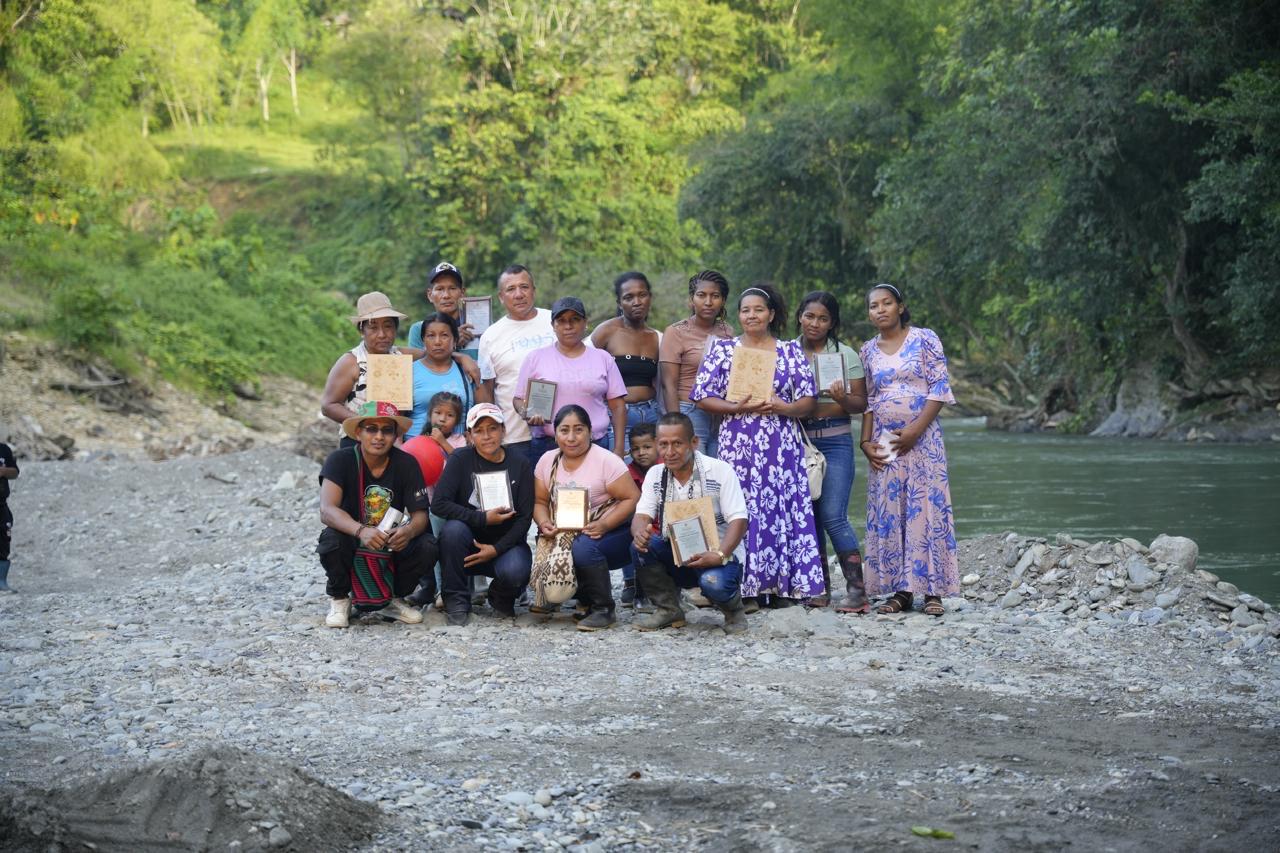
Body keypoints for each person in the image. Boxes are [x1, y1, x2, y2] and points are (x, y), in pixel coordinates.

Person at [691, 283, 824, 609]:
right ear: (738, 315)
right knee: (741, 509)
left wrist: (783, 407)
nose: (752, 315)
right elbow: (702, 396)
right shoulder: (723, 350)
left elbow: (809, 402)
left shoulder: (791, 351)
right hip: (738, 443)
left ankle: (783, 588)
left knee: (782, 509)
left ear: (771, 314)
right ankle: (746, 589)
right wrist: (734, 407)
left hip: (781, 445)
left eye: (759, 309)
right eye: (745, 310)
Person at [858, 284, 959, 616]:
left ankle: (932, 592)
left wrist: (916, 429)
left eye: (887, 303)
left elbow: (940, 387)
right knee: (892, 512)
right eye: (874, 306)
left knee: (926, 510)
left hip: (924, 441)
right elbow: (869, 401)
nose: (881, 310)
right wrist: (865, 442)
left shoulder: (925, 338)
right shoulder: (867, 351)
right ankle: (900, 592)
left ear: (900, 307)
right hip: (887, 444)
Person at [317, 401, 437, 628]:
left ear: (395, 435)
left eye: (387, 430)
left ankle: (393, 598)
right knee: (331, 540)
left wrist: (408, 531)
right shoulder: (339, 460)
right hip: (351, 536)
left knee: (427, 544)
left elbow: (421, 514)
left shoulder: (407, 463)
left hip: (388, 539)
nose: (379, 436)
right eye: (371, 429)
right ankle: (341, 597)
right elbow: (327, 510)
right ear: (359, 432)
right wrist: (361, 531)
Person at [630, 412, 750, 634]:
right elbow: (641, 515)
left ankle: (734, 611)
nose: (670, 451)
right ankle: (669, 610)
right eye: (663, 444)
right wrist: (639, 532)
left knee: (713, 582)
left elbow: (739, 519)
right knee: (640, 546)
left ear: (694, 442)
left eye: (677, 444)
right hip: (677, 553)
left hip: (719, 555)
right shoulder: (656, 474)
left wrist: (721, 554)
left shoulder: (720, 470)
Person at [530, 405, 639, 630]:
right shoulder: (547, 460)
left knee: (583, 547)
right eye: (564, 430)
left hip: (611, 533)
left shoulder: (606, 461)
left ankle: (603, 609)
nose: (571, 438)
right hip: (566, 531)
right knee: (551, 541)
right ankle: (579, 599)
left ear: (590, 431)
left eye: (578, 430)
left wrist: (605, 524)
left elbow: (632, 498)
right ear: (555, 433)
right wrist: (543, 522)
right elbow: (539, 502)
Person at [794, 291, 870, 611]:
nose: (815, 323)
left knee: (833, 515)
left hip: (837, 441)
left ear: (832, 323)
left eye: (823, 319)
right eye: (810, 316)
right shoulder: (787, 352)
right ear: (800, 316)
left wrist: (840, 398)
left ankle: (857, 590)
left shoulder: (845, 355)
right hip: (799, 443)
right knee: (808, 518)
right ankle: (818, 588)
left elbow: (861, 404)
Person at [430, 403, 535, 626]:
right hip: (466, 544)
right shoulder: (460, 459)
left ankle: (500, 596)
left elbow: (525, 517)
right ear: (469, 436)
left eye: (493, 428)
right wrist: (482, 518)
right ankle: (456, 599)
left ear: (504, 430)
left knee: (516, 570)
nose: (486, 436)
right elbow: (439, 504)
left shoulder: (520, 463)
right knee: (453, 530)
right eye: (478, 431)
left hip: (505, 545)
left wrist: (497, 549)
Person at [514, 297, 627, 463]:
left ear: (585, 323)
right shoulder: (536, 358)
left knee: (595, 489)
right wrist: (527, 412)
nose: (568, 326)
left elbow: (618, 407)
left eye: (575, 319)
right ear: (553, 326)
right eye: (561, 321)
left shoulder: (602, 358)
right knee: (548, 489)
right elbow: (518, 399)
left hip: (596, 444)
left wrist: (618, 449)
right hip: (549, 445)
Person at [478, 265, 556, 466]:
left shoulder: (555, 321)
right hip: (515, 438)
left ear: (534, 290)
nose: (519, 294)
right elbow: (487, 391)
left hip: (563, 431)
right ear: (501, 297)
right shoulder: (491, 336)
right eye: (511, 289)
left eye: (524, 287)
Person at [320, 292, 410, 447]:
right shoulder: (351, 362)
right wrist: (364, 424)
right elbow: (328, 405)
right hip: (357, 441)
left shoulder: (401, 356)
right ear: (362, 331)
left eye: (388, 326)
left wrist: (461, 356)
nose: (382, 334)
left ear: (396, 329)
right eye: (373, 327)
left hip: (391, 442)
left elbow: (433, 356)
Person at [660, 270, 734, 458]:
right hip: (690, 412)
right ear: (692, 299)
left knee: (718, 475)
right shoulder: (675, 332)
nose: (708, 302)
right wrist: (677, 425)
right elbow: (668, 384)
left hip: (721, 414)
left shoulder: (728, 331)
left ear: (723, 300)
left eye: (715, 296)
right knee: (696, 474)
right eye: (701, 295)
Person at [590, 272, 662, 452]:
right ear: (619, 303)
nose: (637, 302)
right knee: (622, 473)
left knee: (653, 475)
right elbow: (582, 364)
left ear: (650, 298)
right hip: (618, 419)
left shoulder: (657, 337)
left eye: (642, 295)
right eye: (629, 297)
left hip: (652, 416)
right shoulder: (606, 332)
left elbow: (665, 383)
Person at [405, 312, 488, 438]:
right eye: (431, 336)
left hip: (457, 452)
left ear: (455, 339)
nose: (437, 342)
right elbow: (398, 417)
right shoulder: (408, 372)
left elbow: (485, 410)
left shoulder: (468, 370)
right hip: (416, 451)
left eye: (444, 335)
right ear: (423, 340)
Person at [408, 262, 480, 360]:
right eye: (440, 289)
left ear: (462, 293)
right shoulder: (419, 329)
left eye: (452, 288)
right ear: (430, 295)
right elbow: (417, 367)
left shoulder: (479, 326)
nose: (446, 295)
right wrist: (452, 344)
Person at [621, 421, 657, 608]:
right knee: (634, 541)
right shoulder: (627, 473)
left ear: (658, 444)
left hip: (662, 525)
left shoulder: (666, 468)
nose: (641, 452)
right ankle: (633, 584)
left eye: (647, 447)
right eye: (635, 448)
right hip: (637, 525)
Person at [424, 391, 468, 458]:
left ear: (457, 421)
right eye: (438, 413)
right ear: (430, 415)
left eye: (450, 415)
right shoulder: (423, 438)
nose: (442, 419)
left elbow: (461, 461)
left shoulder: (460, 440)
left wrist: (443, 442)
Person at [0, 440, 18, 592]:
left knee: (4, 541)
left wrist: (3, 472)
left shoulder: (4, 449)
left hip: (1, 504)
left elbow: (15, 472)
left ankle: (1, 582)